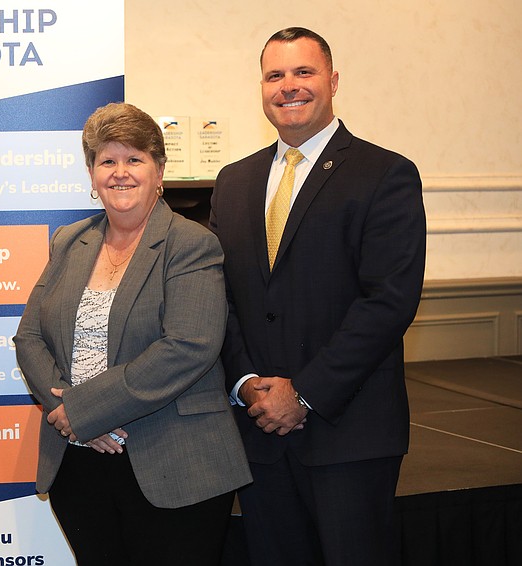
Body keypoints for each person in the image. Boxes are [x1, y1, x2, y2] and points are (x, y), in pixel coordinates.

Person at [210, 27, 426, 566]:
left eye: (303, 72)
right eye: (274, 75)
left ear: (332, 81)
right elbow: (220, 299)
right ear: (261, 87)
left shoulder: (386, 174)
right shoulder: (233, 182)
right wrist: (244, 384)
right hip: (257, 431)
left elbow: (388, 302)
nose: (289, 86)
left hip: (347, 433)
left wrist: (302, 393)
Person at [14, 102, 250, 565]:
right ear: (92, 173)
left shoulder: (192, 244)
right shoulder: (69, 240)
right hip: (80, 459)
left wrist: (86, 409)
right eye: (107, 161)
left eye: (134, 159)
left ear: (159, 170)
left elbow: (188, 346)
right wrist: (70, 412)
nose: (120, 173)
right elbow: (29, 337)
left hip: (174, 464)